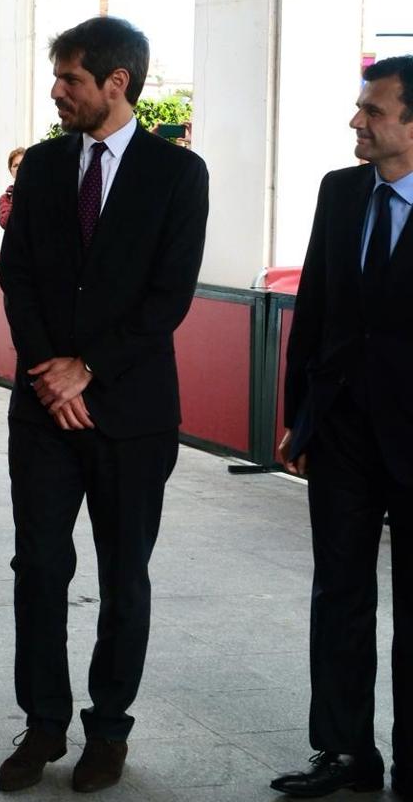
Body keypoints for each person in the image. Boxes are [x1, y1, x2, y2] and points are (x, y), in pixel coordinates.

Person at [0, 16, 208, 793]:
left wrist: (90, 369)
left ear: (117, 83)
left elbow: (168, 298)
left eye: (71, 80)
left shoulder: (178, 175)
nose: (57, 92)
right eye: (57, 79)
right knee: (39, 568)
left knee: (125, 576)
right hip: (44, 415)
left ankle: (108, 730)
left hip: (132, 415)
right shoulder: (45, 167)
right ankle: (43, 725)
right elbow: (16, 278)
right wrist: (53, 375)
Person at [269, 55, 413, 801]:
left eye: (375, 111)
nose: (358, 121)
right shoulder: (341, 190)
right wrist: (298, 418)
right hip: (344, 435)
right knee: (341, 596)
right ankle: (347, 752)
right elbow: (315, 311)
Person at [0, 146, 26, 230]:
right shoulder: (5, 199)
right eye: (15, 165)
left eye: (22, 164)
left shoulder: (39, 193)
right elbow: (5, 223)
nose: (19, 168)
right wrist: (16, 195)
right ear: (11, 171)